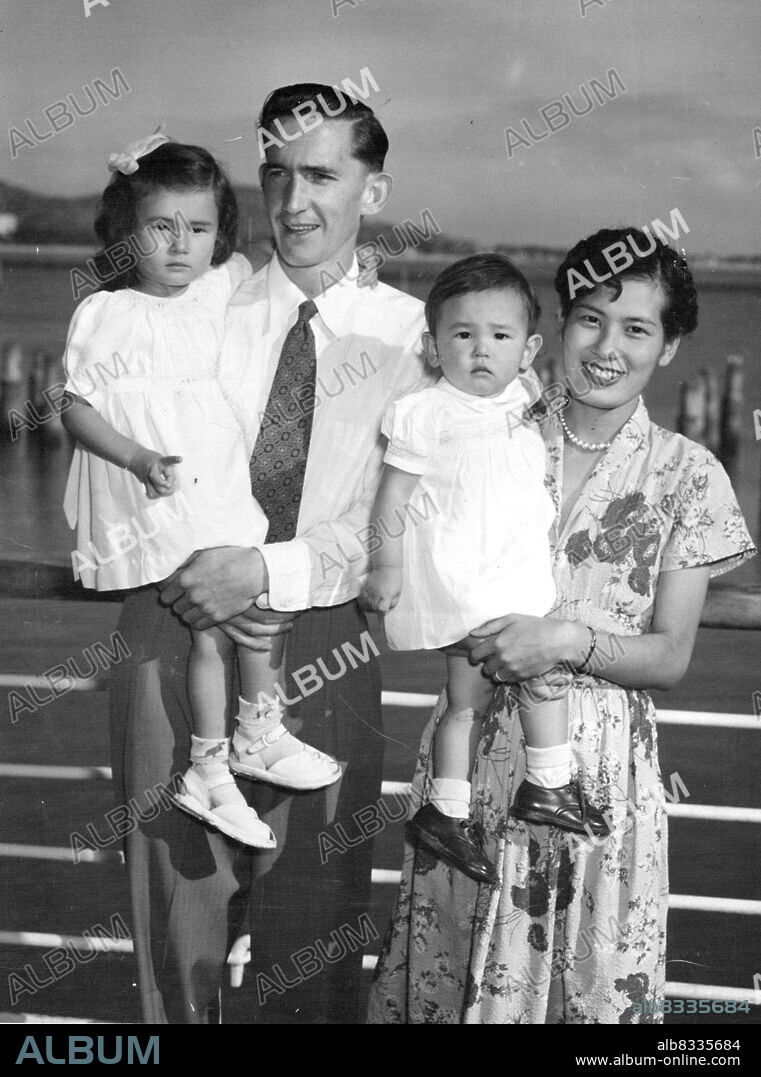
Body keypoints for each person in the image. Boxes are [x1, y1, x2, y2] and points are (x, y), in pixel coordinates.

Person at [368, 227, 755, 1024]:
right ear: (558, 326)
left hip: (598, 775)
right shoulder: (494, 423)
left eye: (636, 328)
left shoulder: (689, 473)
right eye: (589, 319)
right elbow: (392, 520)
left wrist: (564, 640)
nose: (606, 347)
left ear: (671, 344)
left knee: (587, 1003)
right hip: (469, 761)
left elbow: (670, 656)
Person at [108, 84, 430, 1023]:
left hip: (324, 634)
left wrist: (265, 571)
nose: (294, 201)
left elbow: (399, 517)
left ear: (372, 190)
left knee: (314, 925)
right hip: (176, 622)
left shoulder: (415, 337)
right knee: (176, 915)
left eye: (323, 175)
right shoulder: (199, 304)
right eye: (277, 173)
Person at [62, 132, 342, 853]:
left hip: (218, 480)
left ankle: (247, 736)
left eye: (199, 228)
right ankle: (216, 759)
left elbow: (288, 268)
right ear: (128, 231)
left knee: (245, 605)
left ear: (219, 234)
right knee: (216, 625)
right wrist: (135, 455)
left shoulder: (221, 285)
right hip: (160, 489)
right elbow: (75, 405)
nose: (181, 245)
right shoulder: (105, 312)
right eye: (161, 227)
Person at [362, 254, 609, 888]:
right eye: (462, 335)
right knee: (541, 670)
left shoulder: (523, 395)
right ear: (432, 345)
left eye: (499, 337)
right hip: (471, 574)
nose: (480, 351)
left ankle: (447, 810)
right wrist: (385, 566)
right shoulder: (425, 411)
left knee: (464, 702)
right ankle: (549, 782)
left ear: (527, 350)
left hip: (505, 564)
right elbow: (392, 496)